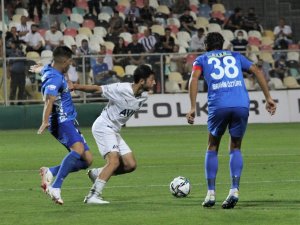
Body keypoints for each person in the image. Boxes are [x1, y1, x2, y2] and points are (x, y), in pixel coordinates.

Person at [186, 32, 277, 209]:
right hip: (241, 103)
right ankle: (234, 190)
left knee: (212, 145)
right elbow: (257, 70)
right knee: (235, 146)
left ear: (206, 46)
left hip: (219, 104)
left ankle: (211, 194)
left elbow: (194, 78)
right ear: (222, 45)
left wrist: (192, 106)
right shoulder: (235, 55)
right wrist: (268, 98)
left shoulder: (201, 60)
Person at [68, 64, 156, 204]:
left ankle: (97, 173)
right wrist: (75, 86)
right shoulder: (121, 89)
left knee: (130, 165)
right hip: (103, 126)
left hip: (114, 130)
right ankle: (93, 195)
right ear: (142, 81)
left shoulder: (144, 96)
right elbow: (97, 88)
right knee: (114, 161)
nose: (154, 82)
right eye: (151, 79)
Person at [34, 46, 93, 205]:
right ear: (65, 61)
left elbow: (43, 69)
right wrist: (45, 121)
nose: (71, 64)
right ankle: (56, 187)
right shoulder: (55, 79)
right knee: (78, 150)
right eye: (70, 62)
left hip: (69, 120)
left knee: (87, 160)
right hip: (62, 120)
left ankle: (50, 171)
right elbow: (49, 100)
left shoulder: (49, 70)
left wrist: (38, 68)